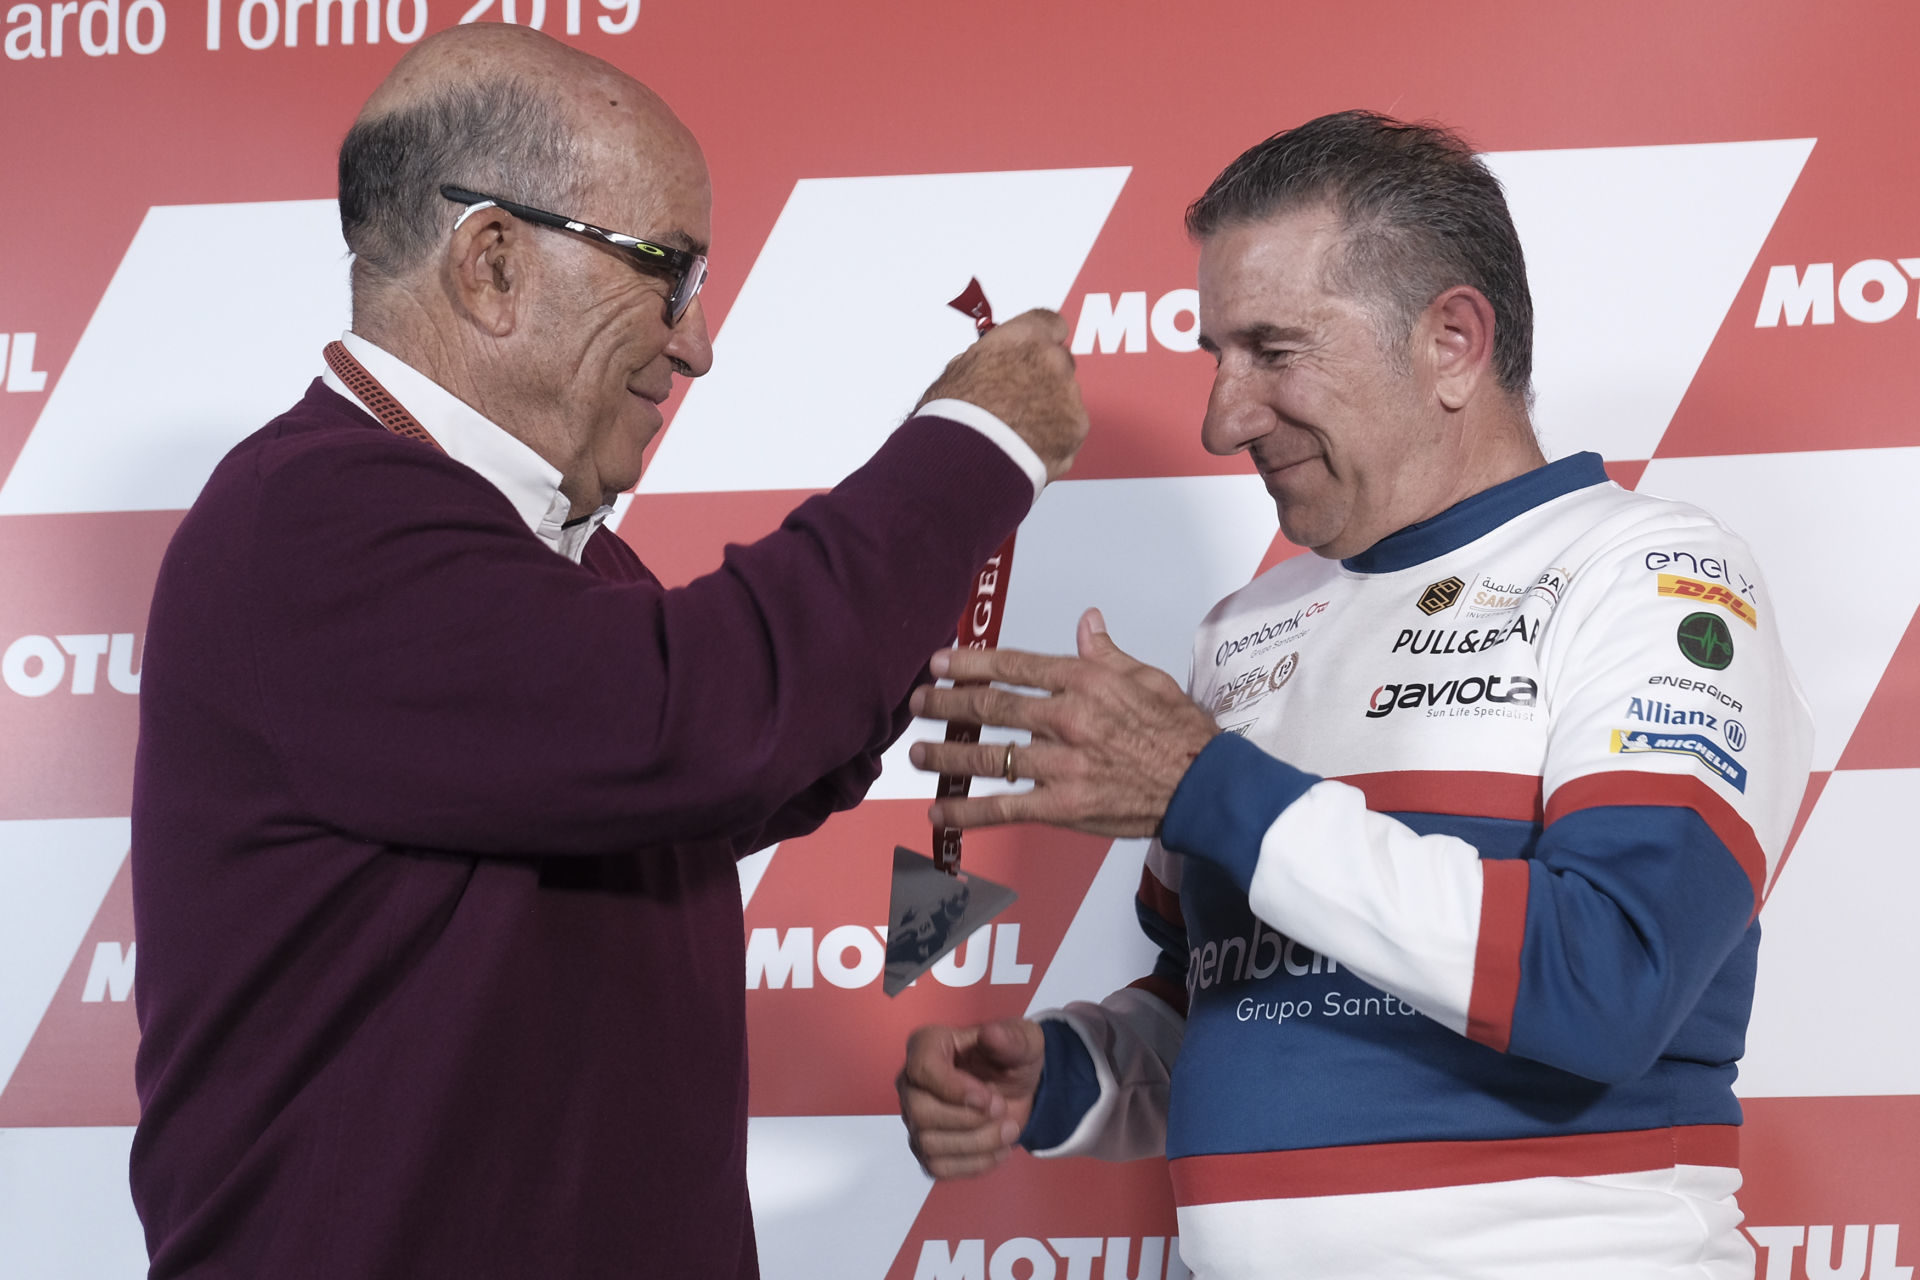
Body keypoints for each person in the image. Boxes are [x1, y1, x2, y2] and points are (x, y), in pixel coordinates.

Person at [129, 23, 1087, 1280]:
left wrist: (880, 663)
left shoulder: (544, 549)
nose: (697, 344)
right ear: (492, 263)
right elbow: (700, 720)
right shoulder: (317, 517)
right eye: (668, 274)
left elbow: (684, 779)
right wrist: (977, 441)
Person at [896, 111, 1813, 1280]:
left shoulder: (1653, 576)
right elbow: (1233, 997)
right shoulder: (1243, 630)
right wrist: (1068, 1074)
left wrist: (1208, 784)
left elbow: (1608, 979)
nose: (1221, 418)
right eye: (1216, 355)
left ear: (1452, 342)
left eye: (1274, 352)